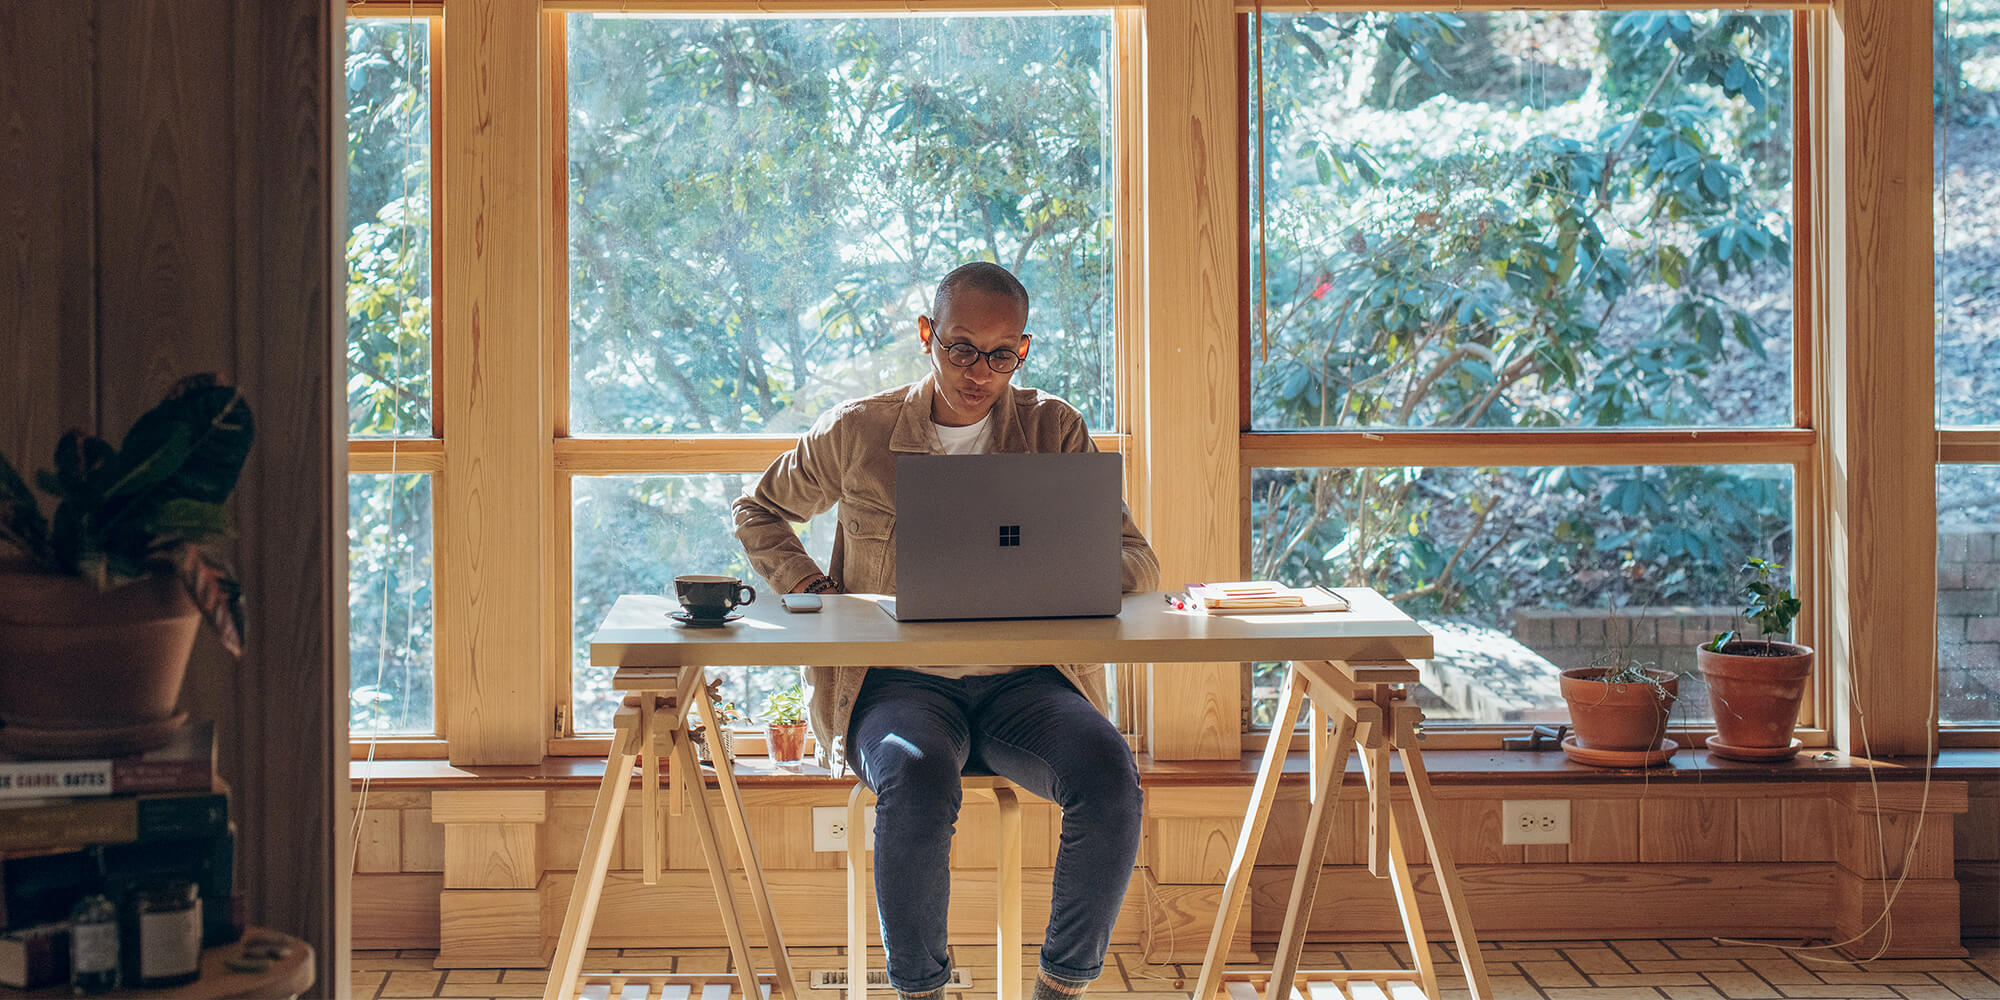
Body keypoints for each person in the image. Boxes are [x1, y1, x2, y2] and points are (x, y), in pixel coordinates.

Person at [733, 261, 1159, 1000]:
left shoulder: (1052, 428)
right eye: (961, 347)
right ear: (928, 334)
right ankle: (921, 990)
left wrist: (1060, 575)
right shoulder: (858, 431)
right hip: (895, 686)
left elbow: (1138, 562)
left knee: (1109, 773)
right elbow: (758, 510)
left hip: (1026, 683)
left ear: (1023, 350)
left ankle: (1061, 986)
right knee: (918, 774)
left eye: (1002, 355)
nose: (979, 371)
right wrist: (812, 587)